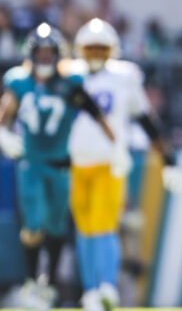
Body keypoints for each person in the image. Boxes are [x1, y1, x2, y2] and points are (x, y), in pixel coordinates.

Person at [68, 18, 182, 311]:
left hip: (110, 161)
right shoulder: (68, 74)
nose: (95, 54)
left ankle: (106, 286)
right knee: (84, 229)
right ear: (80, 49)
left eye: (100, 48)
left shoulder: (124, 76)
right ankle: (90, 291)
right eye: (90, 48)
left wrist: (167, 159)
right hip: (75, 163)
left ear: (111, 50)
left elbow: (145, 119)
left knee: (105, 226)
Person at [0, 23, 115, 309]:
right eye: (40, 52)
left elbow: (94, 112)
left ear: (58, 54)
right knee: (33, 225)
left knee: (56, 228)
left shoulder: (69, 82)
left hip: (61, 164)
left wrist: (115, 144)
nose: (44, 58)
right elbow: (4, 115)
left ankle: (48, 285)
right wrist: (4, 135)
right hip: (31, 164)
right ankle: (31, 282)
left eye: (49, 52)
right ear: (31, 53)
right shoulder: (19, 81)